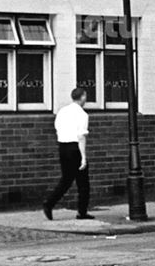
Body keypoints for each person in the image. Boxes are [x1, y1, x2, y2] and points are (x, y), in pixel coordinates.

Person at [43, 87, 93, 220]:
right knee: (83, 183)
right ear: (82, 97)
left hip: (63, 147)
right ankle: (82, 212)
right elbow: (81, 136)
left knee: (66, 180)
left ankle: (50, 202)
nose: (86, 99)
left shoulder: (62, 111)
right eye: (85, 96)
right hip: (75, 147)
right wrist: (83, 157)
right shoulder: (83, 115)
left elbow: (57, 127)